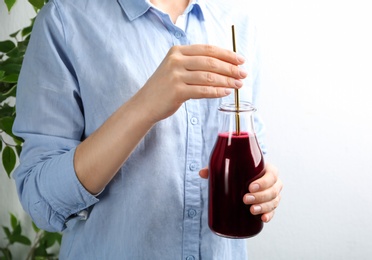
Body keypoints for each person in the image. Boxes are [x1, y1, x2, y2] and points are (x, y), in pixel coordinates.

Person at [12, 0, 283, 259]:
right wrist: (144, 106)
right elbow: (41, 201)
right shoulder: (64, 20)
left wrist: (264, 185)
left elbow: (253, 148)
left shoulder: (237, 22)